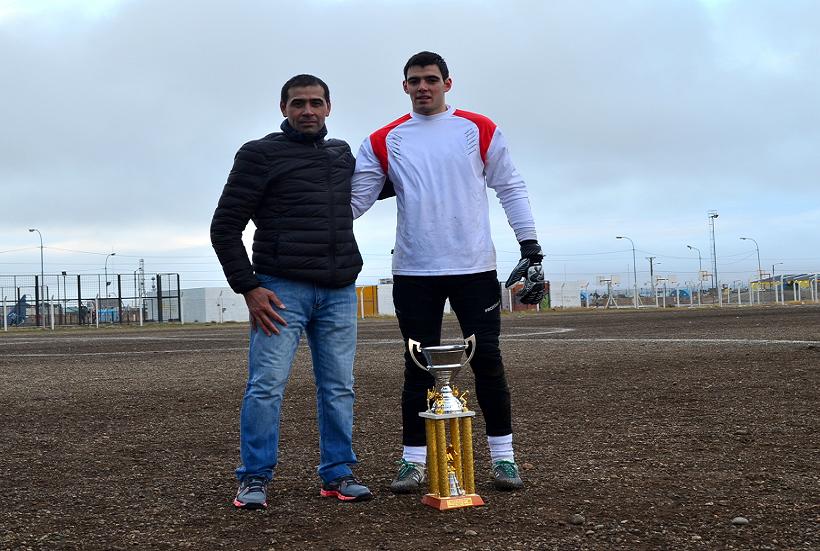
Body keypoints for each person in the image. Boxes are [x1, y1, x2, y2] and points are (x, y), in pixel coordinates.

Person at [351, 51, 545, 493]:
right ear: (404, 87)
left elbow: (510, 186)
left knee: (489, 363)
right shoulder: (384, 139)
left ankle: (504, 458)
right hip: (414, 270)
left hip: (475, 267)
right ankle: (413, 462)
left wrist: (530, 245)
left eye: (431, 79)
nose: (423, 87)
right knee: (417, 366)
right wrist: (302, 212)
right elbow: (354, 202)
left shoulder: (478, 128)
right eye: (415, 80)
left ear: (447, 83)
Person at [210, 74, 372, 510]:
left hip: (339, 291)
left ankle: (337, 474)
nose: (308, 111)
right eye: (298, 103)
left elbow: (384, 183)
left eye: (316, 103)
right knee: (266, 386)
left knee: (339, 387)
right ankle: (254, 478)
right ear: (283, 108)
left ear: (329, 108)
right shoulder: (259, 155)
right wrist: (249, 288)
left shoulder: (341, 155)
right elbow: (224, 227)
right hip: (280, 291)